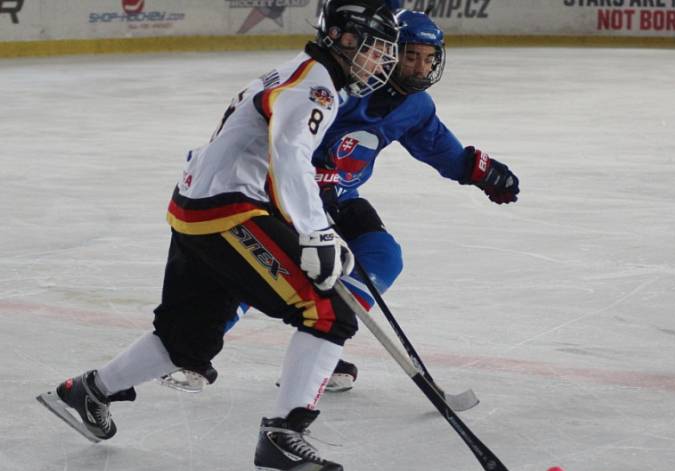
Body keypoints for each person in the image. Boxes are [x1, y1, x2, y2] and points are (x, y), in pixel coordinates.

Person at [36, 0, 400, 471]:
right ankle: (282, 443)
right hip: (228, 212)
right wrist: (316, 232)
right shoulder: (315, 83)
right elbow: (291, 153)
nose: (380, 62)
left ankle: (87, 391)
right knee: (327, 313)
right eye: (376, 49)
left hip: (197, 206)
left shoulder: (302, 72)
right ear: (343, 37)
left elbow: (273, 155)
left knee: (188, 338)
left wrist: (310, 225)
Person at [198, 8, 520, 394]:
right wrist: (316, 178)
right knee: (259, 273)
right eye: (410, 56)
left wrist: (481, 171)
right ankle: (195, 347)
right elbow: (284, 143)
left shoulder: (415, 106)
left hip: (340, 198)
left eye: (428, 58)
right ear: (386, 52)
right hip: (284, 198)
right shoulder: (341, 88)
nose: (420, 67)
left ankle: (319, 348)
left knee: (382, 255)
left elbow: (440, 149)